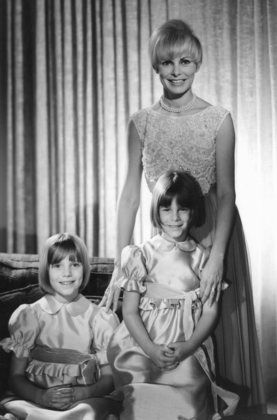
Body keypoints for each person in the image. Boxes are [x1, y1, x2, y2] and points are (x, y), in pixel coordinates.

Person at [101, 19, 265, 408]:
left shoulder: (219, 119)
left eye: (186, 61)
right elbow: (129, 196)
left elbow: (227, 193)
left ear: (198, 64)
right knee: (163, 322)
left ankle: (210, 405)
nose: (177, 71)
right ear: (156, 66)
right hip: (168, 229)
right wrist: (123, 263)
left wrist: (218, 257)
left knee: (212, 323)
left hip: (212, 228)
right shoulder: (141, 122)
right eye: (168, 62)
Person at [107, 171, 239, 420]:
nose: (175, 217)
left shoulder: (204, 260)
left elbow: (210, 311)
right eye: (167, 209)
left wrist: (188, 347)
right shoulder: (141, 255)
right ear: (156, 212)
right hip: (143, 348)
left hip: (184, 350)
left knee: (188, 408)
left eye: (183, 209)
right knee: (139, 404)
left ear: (194, 212)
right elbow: (130, 311)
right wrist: (150, 349)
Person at [0, 233, 120, 420]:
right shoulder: (30, 316)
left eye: (75, 264)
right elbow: (15, 377)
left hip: (83, 402)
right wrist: (41, 397)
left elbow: (109, 379)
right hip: (36, 402)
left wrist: (81, 394)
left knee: (94, 413)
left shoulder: (99, 319)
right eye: (57, 265)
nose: (67, 273)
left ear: (85, 269)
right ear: (46, 270)